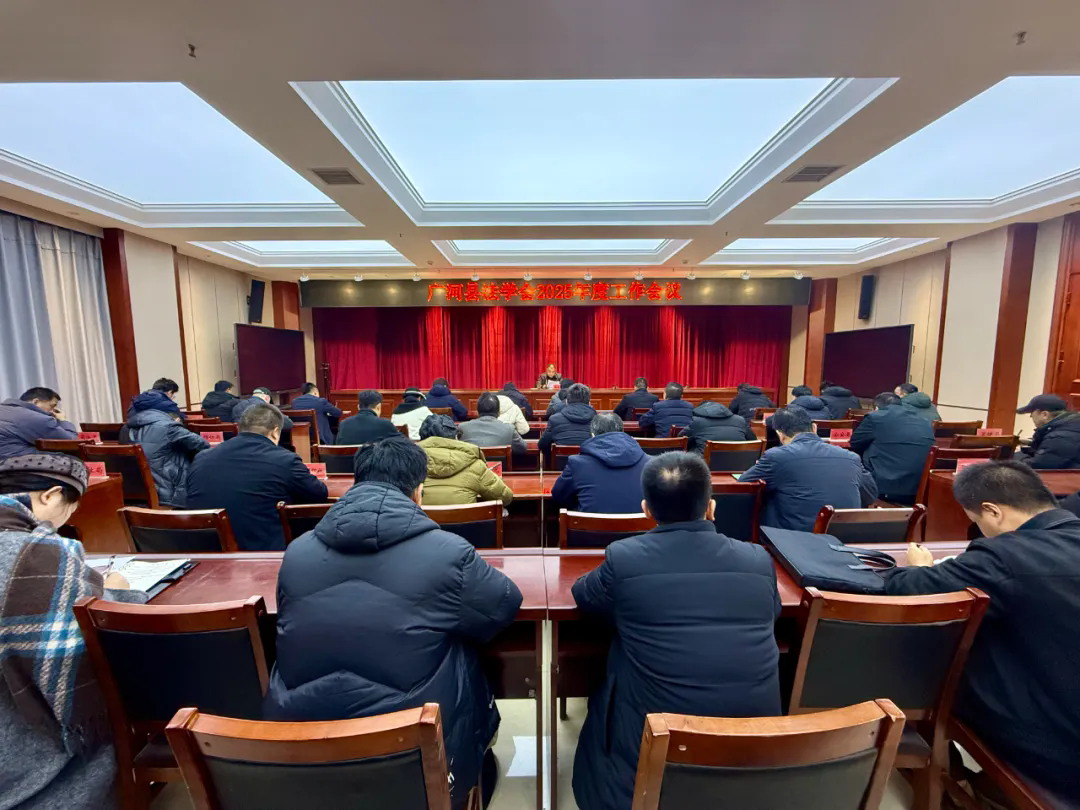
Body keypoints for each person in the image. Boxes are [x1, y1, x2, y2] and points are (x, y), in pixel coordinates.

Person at [263, 435, 522, 810]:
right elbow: (504, 605)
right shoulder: (448, 552)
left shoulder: (297, 551)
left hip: (302, 741)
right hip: (412, 743)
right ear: (418, 491)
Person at [572, 452, 781, 810]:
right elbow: (772, 613)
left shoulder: (624, 558)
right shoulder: (758, 560)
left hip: (653, 763)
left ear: (646, 510)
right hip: (752, 763)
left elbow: (584, 597)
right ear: (711, 508)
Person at [883, 462, 1080, 805]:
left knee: (923, 653)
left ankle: (947, 773)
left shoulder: (1005, 555)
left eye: (976, 521)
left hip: (1056, 748)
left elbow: (909, 588)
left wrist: (920, 567)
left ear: (993, 511)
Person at [0, 454, 144, 810]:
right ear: (50, 495)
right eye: (72, 507)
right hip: (29, 771)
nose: (68, 519)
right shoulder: (41, 554)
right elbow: (100, 628)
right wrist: (118, 590)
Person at [185, 404, 328, 550]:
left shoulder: (202, 457)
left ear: (239, 428)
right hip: (262, 553)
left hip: (204, 552)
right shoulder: (284, 460)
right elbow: (319, 493)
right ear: (275, 432)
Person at [740, 407, 877, 530]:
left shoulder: (777, 456)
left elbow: (743, 487)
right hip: (843, 538)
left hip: (793, 539)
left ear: (780, 434)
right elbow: (870, 494)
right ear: (814, 428)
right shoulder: (851, 457)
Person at [125, 388, 210, 506]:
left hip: (136, 495)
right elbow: (204, 445)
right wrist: (178, 425)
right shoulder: (168, 426)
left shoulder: (125, 429)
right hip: (171, 493)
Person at [550, 413, 649, 513]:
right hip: (642, 523)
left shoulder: (577, 464)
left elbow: (559, 497)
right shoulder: (649, 463)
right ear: (622, 431)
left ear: (592, 435)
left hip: (587, 523)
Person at [849, 392, 935, 503]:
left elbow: (855, 443)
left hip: (884, 487)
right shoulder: (924, 420)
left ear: (876, 408)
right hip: (918, 487)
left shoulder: (875, 417)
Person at [417, 414, 513, 506]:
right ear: (456, 437)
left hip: (422, 517)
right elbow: (505, 497)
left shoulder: (411, 465)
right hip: (465, 518)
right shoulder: (475, 465)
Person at [0, 387, 78, 459]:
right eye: (52, 406)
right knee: (72, 459)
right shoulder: (35, 418)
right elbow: (71, 442)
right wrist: (63, 420)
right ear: (36, 402)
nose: (53, 411)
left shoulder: (5, 409)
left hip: (6, 457)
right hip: (11, 462)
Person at [538, 383, 597, 467]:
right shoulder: (598, 420)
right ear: (589, 402)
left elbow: (542, 445)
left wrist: (549, 465)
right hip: (589, 467)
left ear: (567, 401)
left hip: (561, 468)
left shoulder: (555, 419)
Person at [1016, 394, 1080, 469]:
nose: (1031, 417)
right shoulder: (1068, 428)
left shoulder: (1060, 436)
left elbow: (1038, 466)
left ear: (1045, 415)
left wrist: (1015, 455)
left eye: (1031, 414)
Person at [459, 393, 526, 455]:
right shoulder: (509, 429)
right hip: (501, 464)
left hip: (473, 464)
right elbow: (522, 448)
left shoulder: (463, 428)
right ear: (499, 412)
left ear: (477, 412)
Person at [680, 399, 755, 453]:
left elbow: (681, 438)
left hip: (705, 465)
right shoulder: (740, 420)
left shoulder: (697, 421)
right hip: (739, 462)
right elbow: (753, 440)